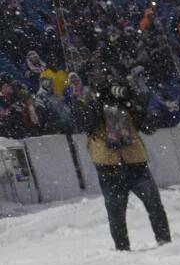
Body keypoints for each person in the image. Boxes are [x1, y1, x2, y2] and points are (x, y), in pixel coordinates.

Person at [72, 72, 172, 251]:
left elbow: (150, 127)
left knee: (154, 205)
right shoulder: (85, 102)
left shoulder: (129, 100)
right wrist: (99, 102)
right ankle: (122, 250)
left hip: (135, 161)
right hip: (108, 163)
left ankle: (165, 243)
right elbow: (86, 125)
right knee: (116, 213)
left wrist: (132, 105)